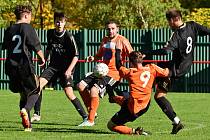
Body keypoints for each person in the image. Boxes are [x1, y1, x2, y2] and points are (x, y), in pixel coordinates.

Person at [142, 8, 210, 134]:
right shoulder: (193, 25)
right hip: (184, 66)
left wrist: (148, 53)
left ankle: (175, 121)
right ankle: (175, 121)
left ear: (173, 20)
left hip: (175, 70)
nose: (169, 25)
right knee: (154, 68)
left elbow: (166, 51)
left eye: (169, 22)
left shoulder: (177, 34)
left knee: (159, 95)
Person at [30, 12, 88, 123]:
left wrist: (69, 70)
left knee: (69, 93)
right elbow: (49, 47)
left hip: (65, 69)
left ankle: (85, 117)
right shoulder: (50, 33)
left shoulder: (69, 36)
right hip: (53, 67)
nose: (59, 24)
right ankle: (37, 114)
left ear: (65, 22)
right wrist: (44, 59)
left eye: (61, 21)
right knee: (38, 85)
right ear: (54, 22)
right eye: (57, 21)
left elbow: (76, 56)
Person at [77, 20, 133, 126]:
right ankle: (92, 111)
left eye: (113, 28)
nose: (110, 31)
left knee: (94, 90)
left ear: (117, 29)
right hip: (101, 71)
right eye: (108, 29)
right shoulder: (105, 40)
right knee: (80, 86)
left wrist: (134, 69)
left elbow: (132, 55)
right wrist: (93, 58)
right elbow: (99, 55)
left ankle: (90, 120)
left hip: (114, 74)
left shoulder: (122, 40)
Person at [2, 5, 45, 131]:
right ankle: (26, 109)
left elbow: (5, 46)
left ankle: (27, 126)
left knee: (23, 94)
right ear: (26, 15)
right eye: (30, 16)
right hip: (24, 65)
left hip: (11, 65)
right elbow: (35, 46)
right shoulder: (28, 27)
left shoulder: (9, 29)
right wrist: (42, 58)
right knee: (37, 89)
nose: (30, 19)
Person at [107, 50, 169, 135]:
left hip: (133, 108)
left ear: (131, 62)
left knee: (111, 125)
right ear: (141, 60)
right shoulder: (152, 68)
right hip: (145, 105)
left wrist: (117, 51)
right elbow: (166, 73)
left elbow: (119, 66)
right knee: (124, 98)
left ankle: (135, 131)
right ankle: (113, 98)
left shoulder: (130, 72)